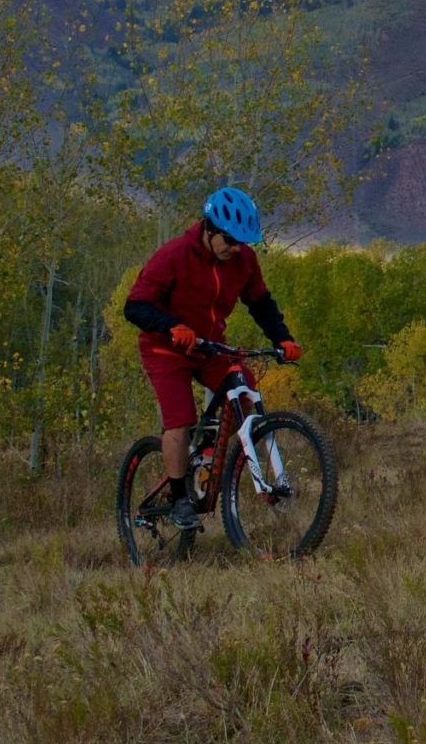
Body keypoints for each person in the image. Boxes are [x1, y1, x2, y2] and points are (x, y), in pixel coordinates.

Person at [123, 186, 302, 531]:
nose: (237, 249)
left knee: (245, 387)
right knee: (180, 420)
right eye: (231, 241)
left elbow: (260, 303)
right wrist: (172, 325)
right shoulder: (174, 255)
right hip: (165, 348)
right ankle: (179, 500)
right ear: (209, 229)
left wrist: (282, 338)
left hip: (209, 347)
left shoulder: (244, 260)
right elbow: (135, 306)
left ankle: (211, 458)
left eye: (243, 243)